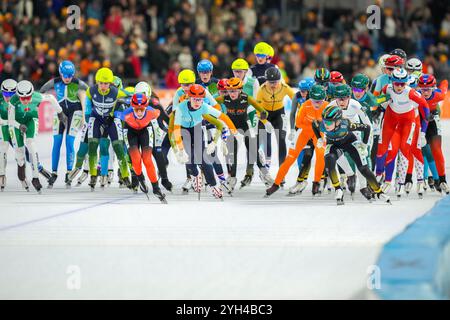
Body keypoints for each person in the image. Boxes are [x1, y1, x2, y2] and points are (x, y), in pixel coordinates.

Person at [172, 84, 237, 199]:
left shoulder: (204, 107)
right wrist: (180, 149)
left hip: (197, 128)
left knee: (204, 158)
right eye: (195, 99)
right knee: (189, 158)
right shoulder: (180, 108)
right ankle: (195, 175)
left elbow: (223, 118)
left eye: (200, 99)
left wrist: (235, 132)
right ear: (189, 97)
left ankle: (214, 186)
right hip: (183, 130)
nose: (197, 102)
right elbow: (176, 129)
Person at [319, 105, 390, 204]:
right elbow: (314, 124)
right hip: (334, 145)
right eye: (325, 121)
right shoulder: (321, 125)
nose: (326, 124)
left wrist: (364, 145)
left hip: (349, 143)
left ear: (338, 122)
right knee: (329, 160)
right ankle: (338, 189)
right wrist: (319, 138)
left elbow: (367, 128)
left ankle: (379, 192)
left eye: (329, 122)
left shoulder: (346, 124)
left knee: (363, 169)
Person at [265, 84, 328, 197]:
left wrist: (318, 129)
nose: (317, 104)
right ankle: (276, 184)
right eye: (314, 101)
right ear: (310, 99)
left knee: (320, 155)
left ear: (324, 100)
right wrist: (313, 125)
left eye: (320, 101)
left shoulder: (327, 107)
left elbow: (330, 124)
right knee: (290, 158)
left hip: (319, 134)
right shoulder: (305, 105)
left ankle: (316, 182)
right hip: (304, 133)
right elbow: (298, 123)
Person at [375, 68, 429, 193]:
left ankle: (413, 181)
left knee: (406, 149)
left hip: (407, 122)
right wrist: (378, 107)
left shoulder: (410, 92)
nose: (399, 87)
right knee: (386, 149)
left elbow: (424, 105)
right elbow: (377, 99)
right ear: (392, 82)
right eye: (397, 84)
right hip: (391, 121)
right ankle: (383, 178)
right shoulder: (387, 88)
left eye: (402, 84)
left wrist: (426, 120)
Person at [8, 80, 68, 193]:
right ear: (18, 96)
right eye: (22, 98)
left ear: (31, 94)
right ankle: (20, 165)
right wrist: (19, 126)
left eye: (28, 98)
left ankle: (35, 178)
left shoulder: (37, 97)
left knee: (31, 144)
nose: (25, 101)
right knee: (20, 153)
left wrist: (60, 113)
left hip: (31, 120)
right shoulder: (13, 101)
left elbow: (51, 98)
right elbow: (10, 120)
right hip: (16, 124)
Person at [214, 77, 270, 193]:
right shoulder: (225, 99)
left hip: (245, 127)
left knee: (253, 151)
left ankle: (265, 175)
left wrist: (263, 116)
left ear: (240, 90)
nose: (231, 93)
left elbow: (262, 110)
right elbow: (210, 102)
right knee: (232, 153)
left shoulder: (246, 98)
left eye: (234, 91)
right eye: (229, 91)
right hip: (233, 129)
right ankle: (232, 178)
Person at [40, 60, 88, 188]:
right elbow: (42, 90)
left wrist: (86, 111)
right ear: (60, 74)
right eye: (65, 76)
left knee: (69, 141)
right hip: (59, 111)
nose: (67, 78)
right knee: (57, 141)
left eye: (70, 76)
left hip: (75, 111)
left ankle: (68, 172)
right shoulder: (55, 82)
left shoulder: (77, 82)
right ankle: (54, 172)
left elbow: (89, 91)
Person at [84, 67, 131, 190]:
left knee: (118, 147)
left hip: (111, 119)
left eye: (106, 83)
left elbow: (132, 96)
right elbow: (88, 105)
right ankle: (93, 175)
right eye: (101, 83)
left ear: (110, 83)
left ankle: (125, 176)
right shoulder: (90, 90)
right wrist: (88, 118)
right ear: (97, 82)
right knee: (92, 145)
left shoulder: (116, 92)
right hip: (96, 119)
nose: (103, 86)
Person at [114, 93, 167, 203]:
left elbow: (161, 115)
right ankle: (140, 177)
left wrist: (163, 129)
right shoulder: (126, 114)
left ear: (146, 107)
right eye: (136, 109)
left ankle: (156, 188)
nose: (139, 112)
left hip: (145, 131)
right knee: (136, 159)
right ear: (132, 107)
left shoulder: (152, 112)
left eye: (142, 109)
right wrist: (119, 102)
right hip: (130, 132)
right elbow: (115, 113)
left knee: (147, 159)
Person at [328, 84, 372, 197]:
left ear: (349, 97)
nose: (342, 102)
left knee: (361, 158)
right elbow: (325, 125)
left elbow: (368, 125)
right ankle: (350, 174)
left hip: (354, 130)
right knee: (333, 152)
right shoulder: (330, 106)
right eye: (339, 98)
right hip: (337, 132)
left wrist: (365, 144)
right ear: (334, 98)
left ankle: (363, 187)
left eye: (345, 98)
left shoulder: (355, 105)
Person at [255, 67, 295, 177]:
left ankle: (282, 172)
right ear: (266, 80)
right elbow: (258, 108)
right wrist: (264, 121)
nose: (273, 85)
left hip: (279, 114)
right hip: (265, 114)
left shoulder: (284, 87)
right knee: (260, 139)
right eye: (270, 82)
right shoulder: (261, 90)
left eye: (275, 82)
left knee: (281, 139)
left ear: (280, 80)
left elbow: (296, 99)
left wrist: (301, 109)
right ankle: (262, 167)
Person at [417, 74, 449, 194]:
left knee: (436, 150)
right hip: (419, 121)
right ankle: (425, 178)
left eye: (428, 89)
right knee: (423, 150)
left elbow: (445, 83)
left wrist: (444, 81)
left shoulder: (439, 94)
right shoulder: (415, 95)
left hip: (432, 122)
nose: (425, 92)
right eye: (422, 89)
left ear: (434, 87)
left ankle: (442, 180)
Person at [287, 77, 317, 194]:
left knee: (313, 154)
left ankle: (323, 179)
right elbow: (292, 114)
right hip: (302, 127)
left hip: (315, 129)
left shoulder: (316, 97)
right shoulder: (297, 96)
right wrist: (293, 130)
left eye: (305, 91)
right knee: (300, 152)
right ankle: (302, 179)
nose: (302, 93)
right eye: (301, 90)